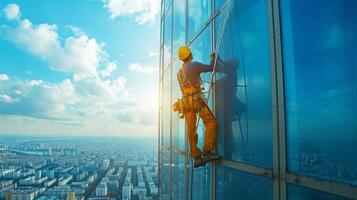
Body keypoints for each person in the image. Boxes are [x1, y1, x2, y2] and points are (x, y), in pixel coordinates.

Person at [173, 45, 222, 168]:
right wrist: (213, 58)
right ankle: (208, 151)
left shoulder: (179, 74)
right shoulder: (193, 65)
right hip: (196, 101)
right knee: (211, 122)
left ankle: (196, 157)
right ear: (189, 54)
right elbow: (211, 68)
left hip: (186, 104)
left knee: (191, 130)